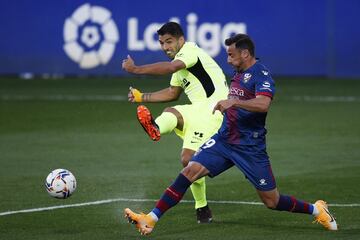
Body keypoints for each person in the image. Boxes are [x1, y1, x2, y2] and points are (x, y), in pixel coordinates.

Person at [123, 34, 338, 235]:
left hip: (249, 147)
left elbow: (263, 104)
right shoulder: (238, 73)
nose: (227, 60)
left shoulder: (261, 75)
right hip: (224, 139)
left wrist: (235, 102)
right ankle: (150, 219)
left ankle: (317, 210)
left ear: (245, 54)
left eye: (231, 55)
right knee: (189, 170)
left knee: (272, 201)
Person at [122, 22, 228, 223]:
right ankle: (156, 128)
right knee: (177, 125)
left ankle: (202, 207)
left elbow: (171, 67)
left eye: (169, 42)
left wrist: (135, 69)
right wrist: (140, 97)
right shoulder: (180, 63)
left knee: (189, 160)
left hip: (214, 110)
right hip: (199, 110)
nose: (165, 47)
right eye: (162, 43)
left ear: (181, 39)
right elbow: (172, 93)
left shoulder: (189, 52)